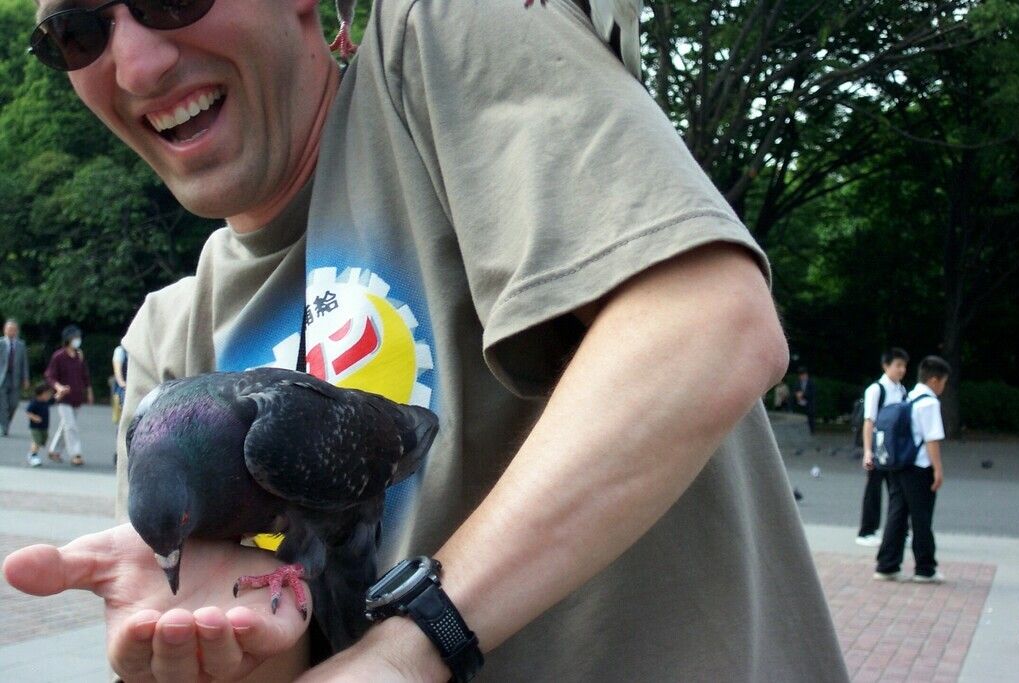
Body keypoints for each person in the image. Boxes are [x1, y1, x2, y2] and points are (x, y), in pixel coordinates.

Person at [4, 2, 847, 681]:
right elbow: (296, 647)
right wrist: (228, 651)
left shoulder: (446, 30)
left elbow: (709, 322)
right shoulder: (166, 346)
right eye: (76, 32)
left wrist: (416, 640)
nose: (138, 64)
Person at [874, 355, 950, 583]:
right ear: (935, 380)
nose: (943, 387)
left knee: (896, 515)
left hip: (899, 464)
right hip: (919, 467)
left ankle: (887, 565)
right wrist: (938, 470)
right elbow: (932, 439)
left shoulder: (908, 396)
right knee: (921, 518)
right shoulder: (930, 403)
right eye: (943, 382)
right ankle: (925, 568)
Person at [857, 347, 909, 547]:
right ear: (886, 366)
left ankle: (900, 531)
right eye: (898, 365)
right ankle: (867, 531)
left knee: (898, 490)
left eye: (904, 366)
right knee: (874, 489)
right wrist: (868, 451)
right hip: (879, 447)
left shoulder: (902, 390)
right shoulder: (876, 389)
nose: (902, 369)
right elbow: (869, 421)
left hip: (895, 447)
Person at [44, 325, 93, 466]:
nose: (77, 340)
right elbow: (50, 375)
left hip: (77, 396)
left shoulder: (79, 356)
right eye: (75, 337)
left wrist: (89, 391)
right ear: (68, 339)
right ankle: (76, 454)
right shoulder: (58, 356)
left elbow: (85, 376)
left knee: (66, 425)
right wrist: (58, 387)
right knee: (70, 426)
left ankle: (54, 450)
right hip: (63, 398)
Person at [0, 319, 31, 436]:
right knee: (2, 404)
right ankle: (4, 428)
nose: (11, 332)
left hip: (15, 377)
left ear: (17, 331)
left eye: (13, 330)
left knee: (13, 404)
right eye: (9, 329)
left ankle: (5, 423)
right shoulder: (1, 343)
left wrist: (26, 378)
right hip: (2, 378)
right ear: (4, 330)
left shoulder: (21, 345)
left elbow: (24, 363)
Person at [25, 383, 54, 467]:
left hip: (44, 426)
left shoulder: (46, 402)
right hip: (35, 427)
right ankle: (33, 456)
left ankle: (33, 454)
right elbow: (28, 412)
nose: (49, 396)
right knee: (36, 441)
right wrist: (34, 417)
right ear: (41, 394)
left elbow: (55, 399)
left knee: (43, 440)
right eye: (47, 394)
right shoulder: (34, 402)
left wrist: (61, 393)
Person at [794, 366, 817, 433]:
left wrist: (803, 394)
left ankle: (812, 431)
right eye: (800, 375)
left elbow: (813, 393)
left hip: (810, 404)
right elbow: (795, 391)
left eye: (803, 375)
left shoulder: (811, 382)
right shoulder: (797, 383)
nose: (801, 377)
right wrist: (797, 394)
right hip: (800, 404)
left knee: (811, 419)